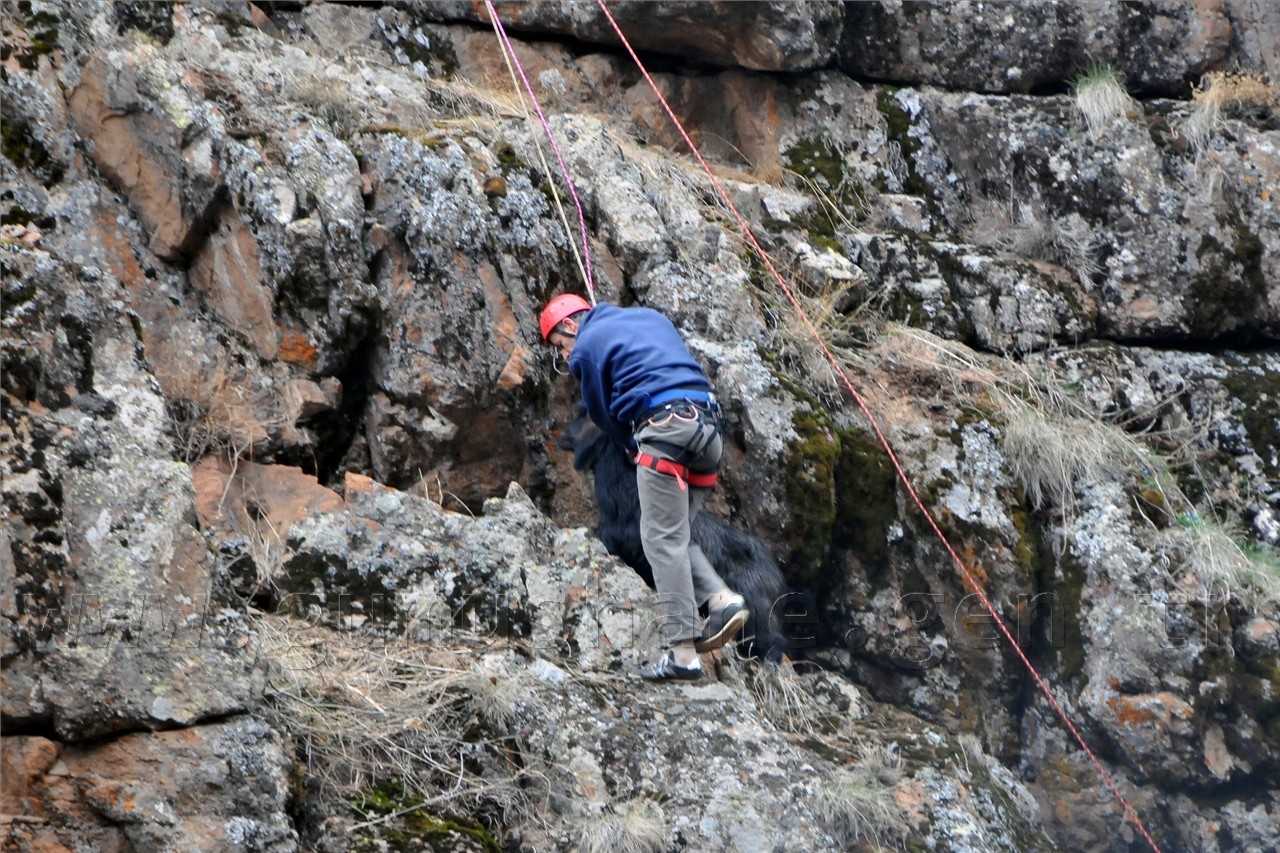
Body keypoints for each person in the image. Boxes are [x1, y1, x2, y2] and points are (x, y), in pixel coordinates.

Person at [540, 293, 749, 681]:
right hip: (708, 431)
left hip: (665, 429)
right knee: (675, 534)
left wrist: (634, 447)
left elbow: (603, 416)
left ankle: (683, 656)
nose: (565, 356)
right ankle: (723, 601)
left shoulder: (585, 347)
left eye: (560, 346)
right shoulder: (650, 318)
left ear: (570, 325)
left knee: (658, 540)